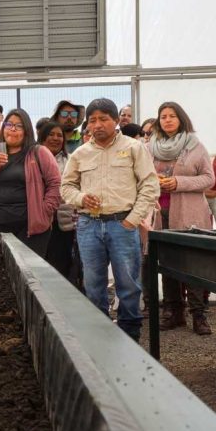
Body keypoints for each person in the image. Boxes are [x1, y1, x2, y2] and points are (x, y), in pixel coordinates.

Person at [62, 98, 160, 341]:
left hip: (122, 224)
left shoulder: (134, 148)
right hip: (89, 226)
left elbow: (149, 185)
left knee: (128, 284)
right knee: (93, 284)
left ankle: (130, 336)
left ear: (116, 121)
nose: (97, 125)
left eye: (104, 119)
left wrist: (133, 219)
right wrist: (82, 198)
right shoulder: (81, 153)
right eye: (93, 120)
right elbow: (66, 187)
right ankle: (99, 336)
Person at [149, 101, 215, 335]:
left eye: (172, 116)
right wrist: (154, 180)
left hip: (191, 214)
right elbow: (142, 176)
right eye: (163, 116)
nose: (167, 120)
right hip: (160, 213)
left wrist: (179, 183)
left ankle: (199, 315)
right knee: (166, 263)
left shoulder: (196, 146)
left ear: (181, 119)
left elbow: (208, 179)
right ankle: (173, 312)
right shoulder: (151, 147)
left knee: (193, 264)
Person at [0, 110, 61, 256]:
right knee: (4, 273)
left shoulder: (38, 152)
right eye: (9, 124)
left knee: (31, 274)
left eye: (19, 126)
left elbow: (55, 183)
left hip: (31, 227)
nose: (12, 129)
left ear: (26, 131)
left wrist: (45, 210)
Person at [37, 122, 78, 283]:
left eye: (59, 135)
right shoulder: (32, 158)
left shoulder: (71, 160)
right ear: (42, 137)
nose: (55, 138)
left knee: (62, 262)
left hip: (64, 221)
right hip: (39, 218)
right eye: (51, 134)